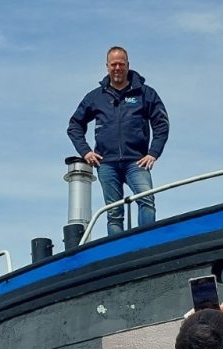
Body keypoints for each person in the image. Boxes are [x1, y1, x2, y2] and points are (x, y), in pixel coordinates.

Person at [67, 46, 169, 236]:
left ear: (128, 65)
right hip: (107, 163)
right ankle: (118, 251)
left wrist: (153, 152)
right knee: (114, 212)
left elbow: (161, 123)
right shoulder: (95, 97)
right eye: (113, 64)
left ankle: (147, 241)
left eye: (121, 64)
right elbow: (74, 125)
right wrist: (86, 152)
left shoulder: (145, 93)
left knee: (146, 200)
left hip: (136, 161)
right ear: (107, 67)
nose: (117, 68)